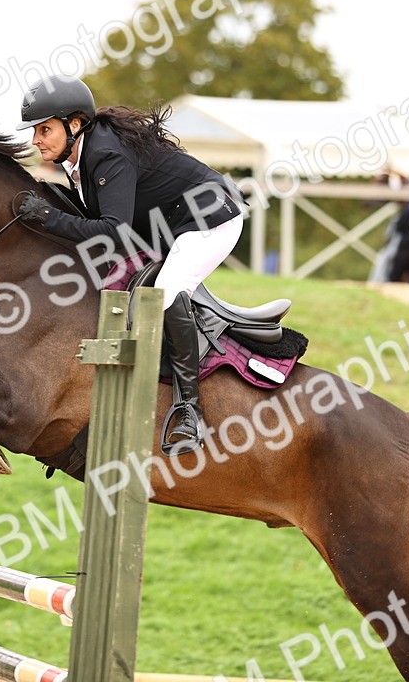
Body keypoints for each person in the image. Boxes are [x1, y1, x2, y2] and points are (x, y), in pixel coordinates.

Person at [14, 75, 243, 454]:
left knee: (165, 296)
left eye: (44, 130)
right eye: (35, 131)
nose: (35, 140)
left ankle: (189, 409)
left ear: (74, 125)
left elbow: (113, 232)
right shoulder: (78, 156)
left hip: (211, 219)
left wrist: (48, 218)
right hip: (168, 222)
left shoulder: (105, 153)